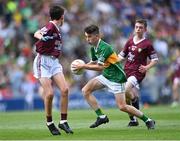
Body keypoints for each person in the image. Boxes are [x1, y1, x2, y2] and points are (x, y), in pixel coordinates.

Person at [73, 24, 155, 130]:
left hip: (117, 78)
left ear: (97, 36)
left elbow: (99, 67)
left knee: (122, 107)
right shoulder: (93, 48)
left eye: (89, 37)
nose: (87, 39)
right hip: (107, 76)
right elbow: (93, 61)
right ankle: (101, 117)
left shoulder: (105, 47)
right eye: (86, 37)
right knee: (85, 90)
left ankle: (148, 120)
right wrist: (81, 68)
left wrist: (83, 66)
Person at [33, 5, 73, 135]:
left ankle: (63, 122)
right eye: (64, 15)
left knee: (65, 90)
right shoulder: (50, 26)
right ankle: (50, 123)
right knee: (49, 93)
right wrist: (41, 37)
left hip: (54, 61)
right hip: (42, 61)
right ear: (61, 17)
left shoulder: (56, 28)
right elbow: (37, 33)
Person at [118, 19, 158, 126]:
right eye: (136, 27)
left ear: (145, 29)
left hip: (138, 72)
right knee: (126, 96)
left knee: (125, 90)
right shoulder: (130, 41)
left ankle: (135, 102)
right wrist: (111, 61)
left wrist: (146, 67)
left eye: (140, 27)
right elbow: (121, 56)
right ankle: (133, 120)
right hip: (126, 71)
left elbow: (155, 60)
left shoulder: (147, 44)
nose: (138, 29)